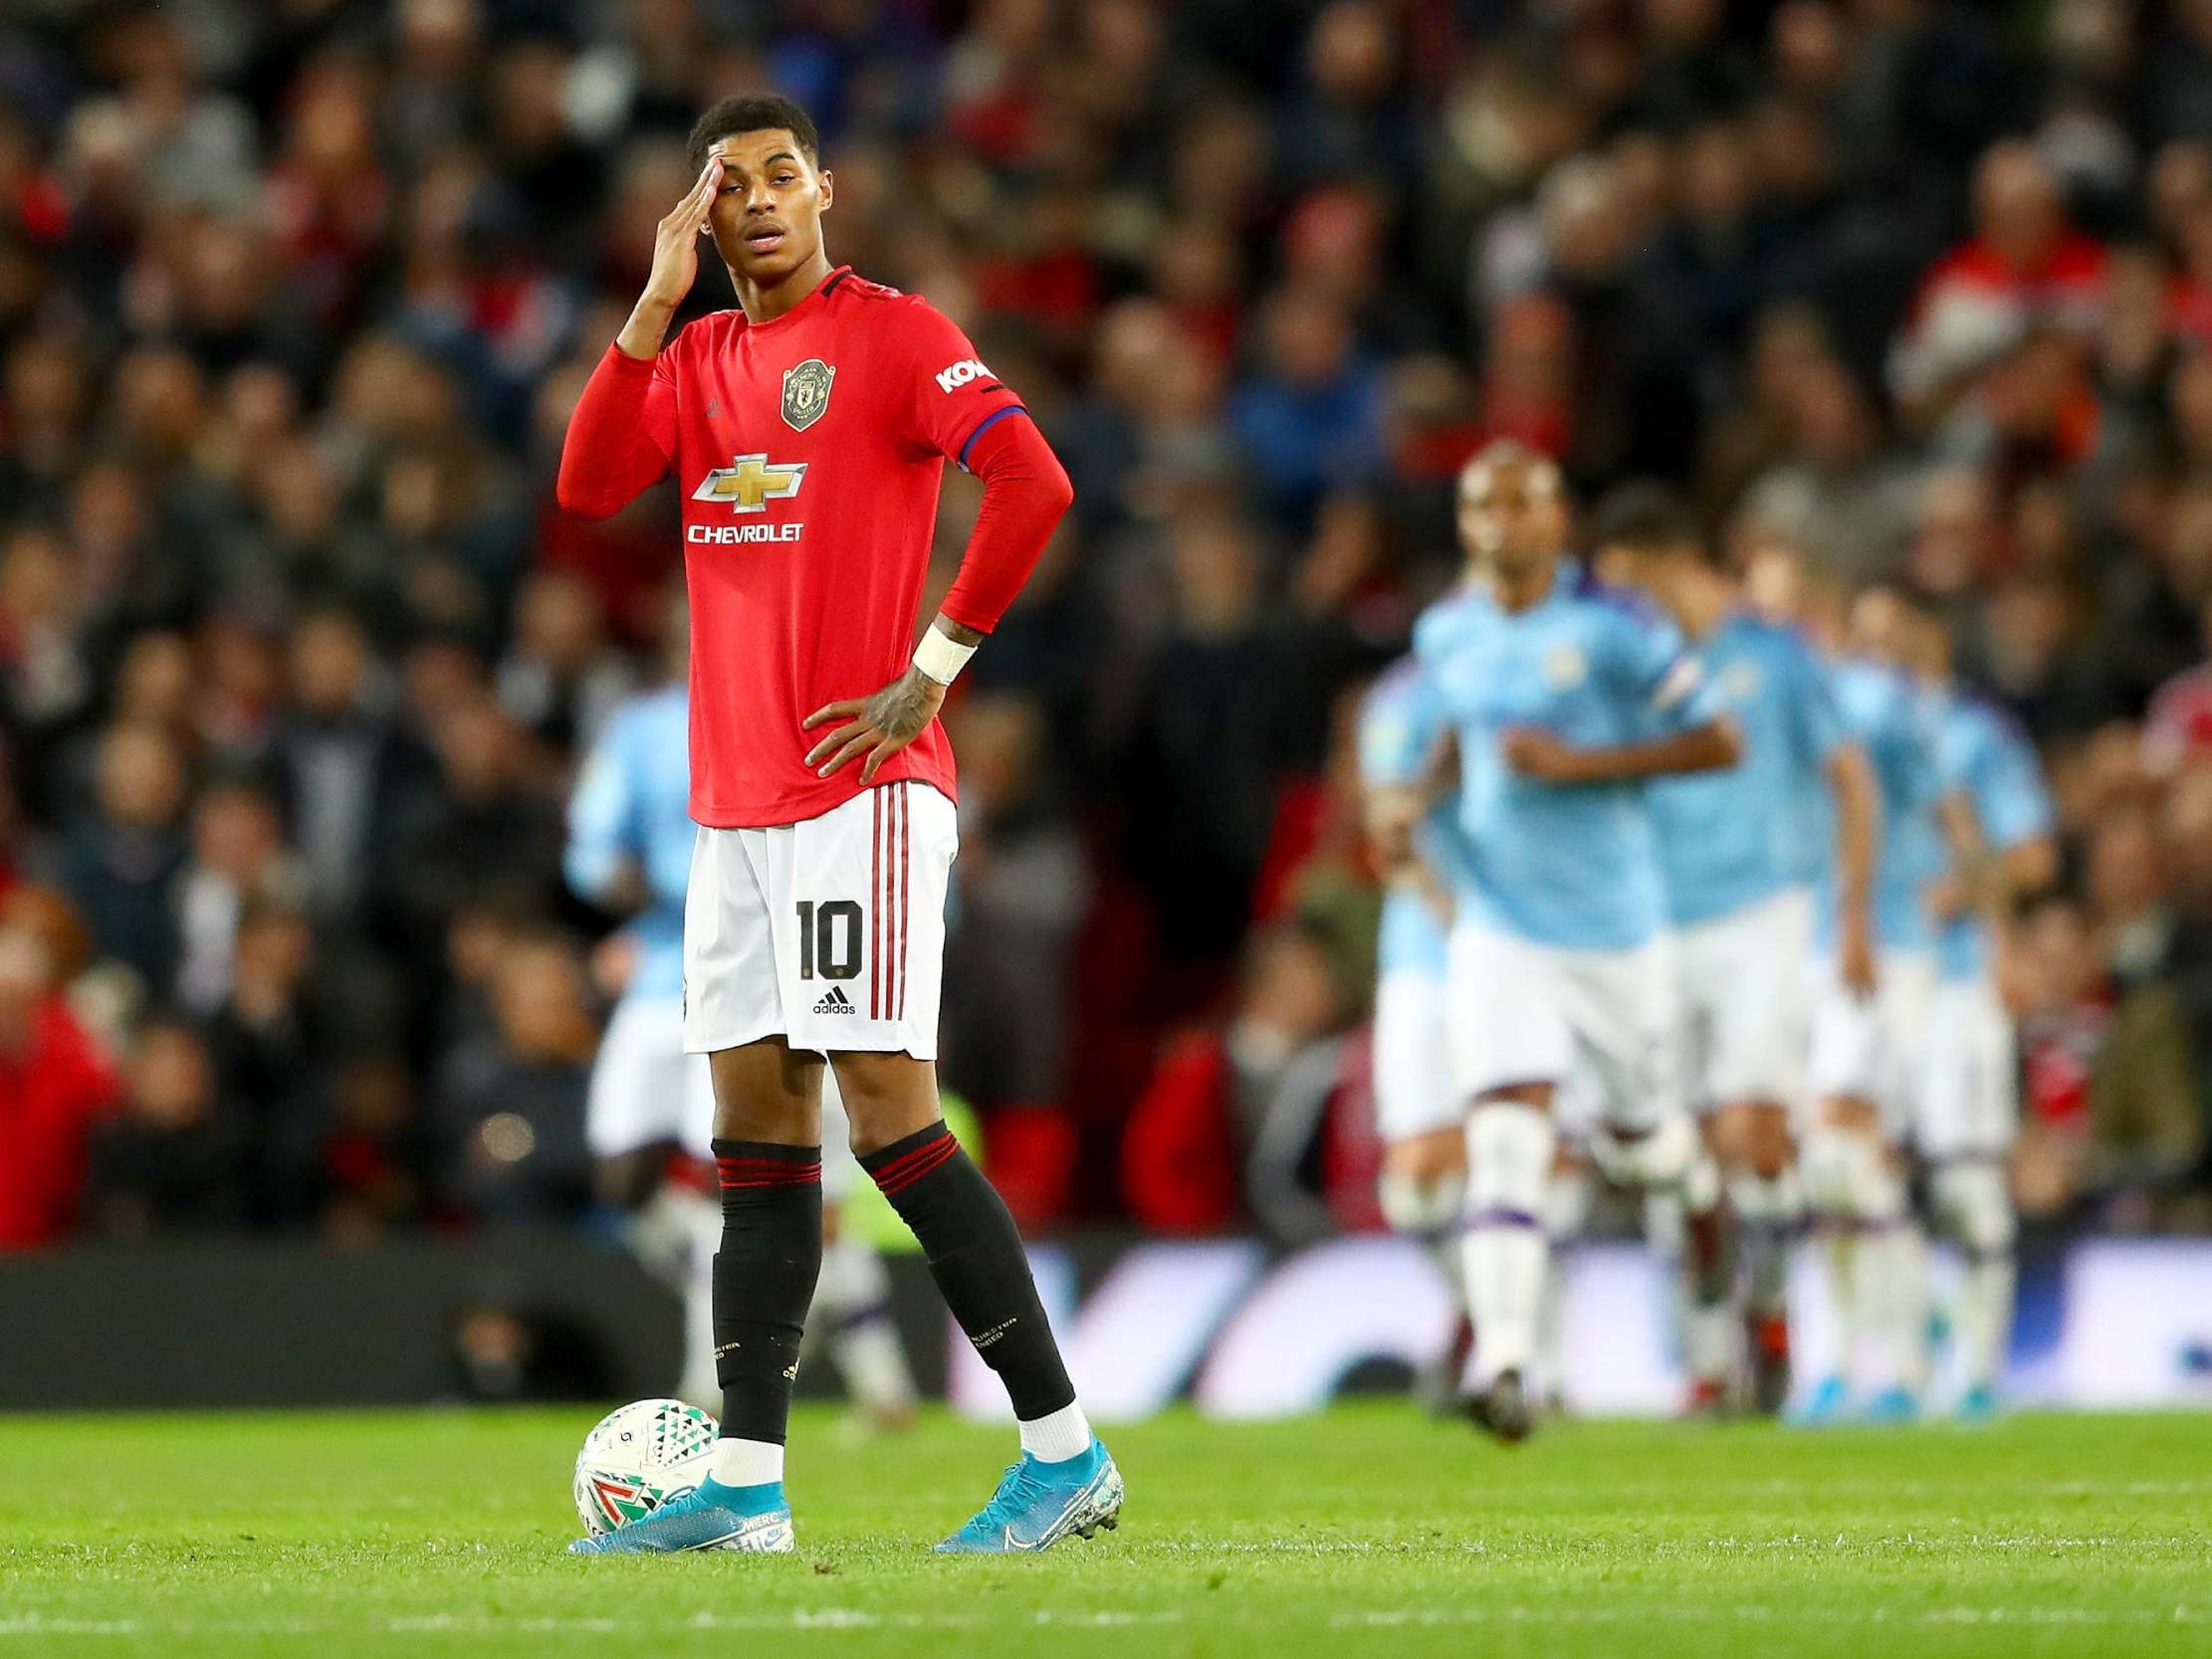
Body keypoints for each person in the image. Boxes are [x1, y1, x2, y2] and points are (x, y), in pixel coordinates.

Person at [554, 92, 1110, 1555]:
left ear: (826, 194)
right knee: (753, 1131)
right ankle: (744, 1490)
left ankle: (1062, 1449)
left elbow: (1033, 481)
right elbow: (590, 483)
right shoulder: (702, 357)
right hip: (729, 807)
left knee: (886, 1111)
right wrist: (652, 304)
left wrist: (927, 669)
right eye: (724, 182)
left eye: (779, 175)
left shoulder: (896, 335)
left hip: (858, 790)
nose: (754, 200)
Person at [1410, 442, 1740, 1442]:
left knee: (1639, 1144)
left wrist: (1580, 764)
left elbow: (1719, 740)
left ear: (1557, 520)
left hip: (1614, 934)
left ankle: (1693, 1188)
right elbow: (1455, 738)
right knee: (1505, 1129)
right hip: (1500, 926)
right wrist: (1406, 802)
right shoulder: (1444, 631)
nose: (1499, 524)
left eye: (1519, 504)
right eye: (1480, 507)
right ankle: (1506, 1361)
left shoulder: (1615, 627)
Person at [565, 606, 916, 1425]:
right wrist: (615, 882)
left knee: (746, 1183)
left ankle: (714, 1380)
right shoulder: (643, 727)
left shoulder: (806, 709)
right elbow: (587, 843)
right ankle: (847, 1340)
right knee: (628, 1174)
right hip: (664, 968)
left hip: (787, 973)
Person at [1595, 486, 1879, 1415]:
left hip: (1764, 918)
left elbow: (1849, 778)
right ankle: (1709, 1354)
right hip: (1658, 931)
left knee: (1750, 1134)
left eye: (1631, 586)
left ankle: (1769, 1309)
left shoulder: (1773, 655)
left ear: (1677, 563)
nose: (1621, 610)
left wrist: (1856, 918)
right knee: (1675, 1153)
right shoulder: (1627, 672)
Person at [1792, 583, 1954, 1424]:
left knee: (1846, 1145)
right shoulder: (1771, 704)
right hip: (1802, 948)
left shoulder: (1878, 703)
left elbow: (1941, 806)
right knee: (1833, 1166)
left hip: (1883, 946)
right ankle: (1871, 1347)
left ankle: (1889, 1357)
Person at [1903, 596, 2058, 1419]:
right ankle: (1885, 1360)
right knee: (1853, 1171)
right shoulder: (1840, 728)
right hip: (1849, 976)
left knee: (1965, 1174)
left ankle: (1976, 1368)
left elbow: (2033, 855)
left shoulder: (1974, 736)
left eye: (1889, 633)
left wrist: (1969, 888)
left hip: (1955, 977)